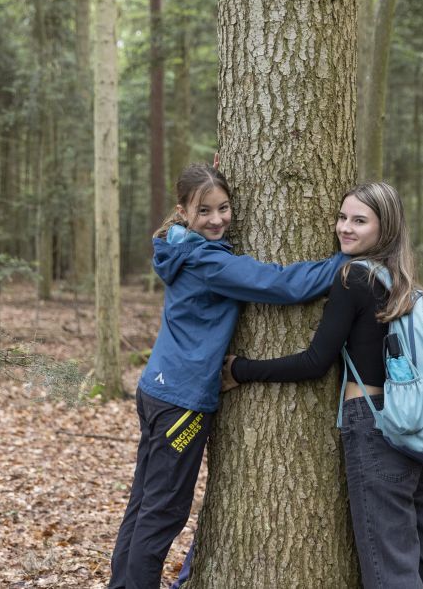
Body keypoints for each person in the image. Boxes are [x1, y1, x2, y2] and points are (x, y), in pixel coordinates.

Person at [107, 162, 347, 589]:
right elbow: (280, 284)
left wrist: (215, 168)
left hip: (157, 390)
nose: (217, 219)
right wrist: (344, 261)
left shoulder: (177, 244)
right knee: (162, 512)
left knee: (144, 505)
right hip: (182, 400)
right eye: (205, 211)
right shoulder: (208, 262)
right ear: (183, 211)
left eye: (224, 207)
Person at [223, 181, 423, 589]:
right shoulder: (404, 284)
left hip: (376, 429)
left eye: (359, 221)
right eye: (342, 217)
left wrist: (240, 369)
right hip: (420, 426)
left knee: (390, 567)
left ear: (384, 228)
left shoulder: (353, 277)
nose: (344, 228)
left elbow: (315, 362)